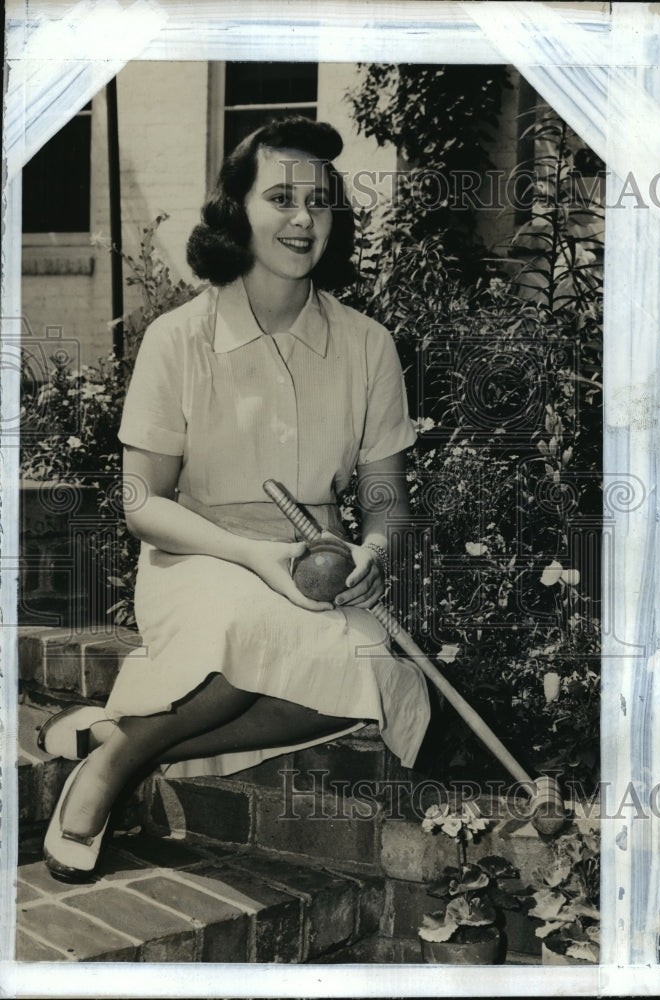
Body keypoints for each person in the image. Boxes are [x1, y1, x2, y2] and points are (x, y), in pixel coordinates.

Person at [39, 117, 430, 881]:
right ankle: (106, 774)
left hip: (316, 570)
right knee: (247, 628)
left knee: (376, 677)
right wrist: (255, 556)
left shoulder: (368, 345)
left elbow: (386, 501)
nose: (303, 218)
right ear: (236, 211)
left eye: (319, 201)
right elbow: (142, 503)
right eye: (280, 198)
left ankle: (123, 742)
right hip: (197, 557)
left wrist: (375, 552)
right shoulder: (178, 338)